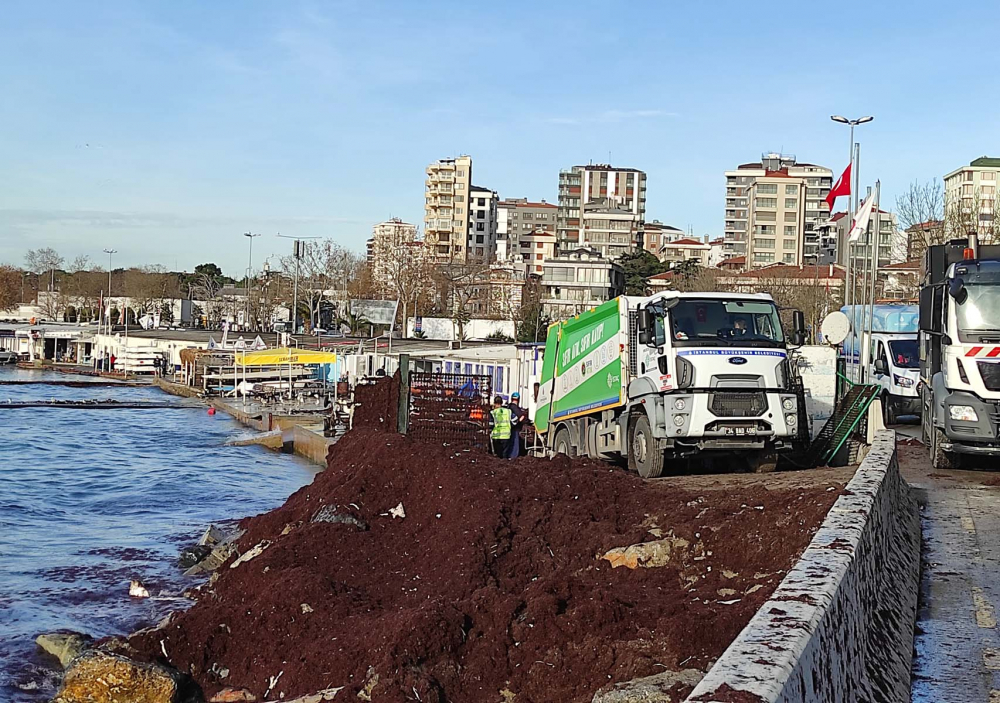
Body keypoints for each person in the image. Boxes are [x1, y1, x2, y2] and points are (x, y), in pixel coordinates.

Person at [507, 392, 527, 458]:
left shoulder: (508, 406)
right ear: (518, 399)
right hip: (515, 428)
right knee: (515, 445)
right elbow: (521, 418)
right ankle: (513, 457)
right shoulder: (515, 407)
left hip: (508, 427)